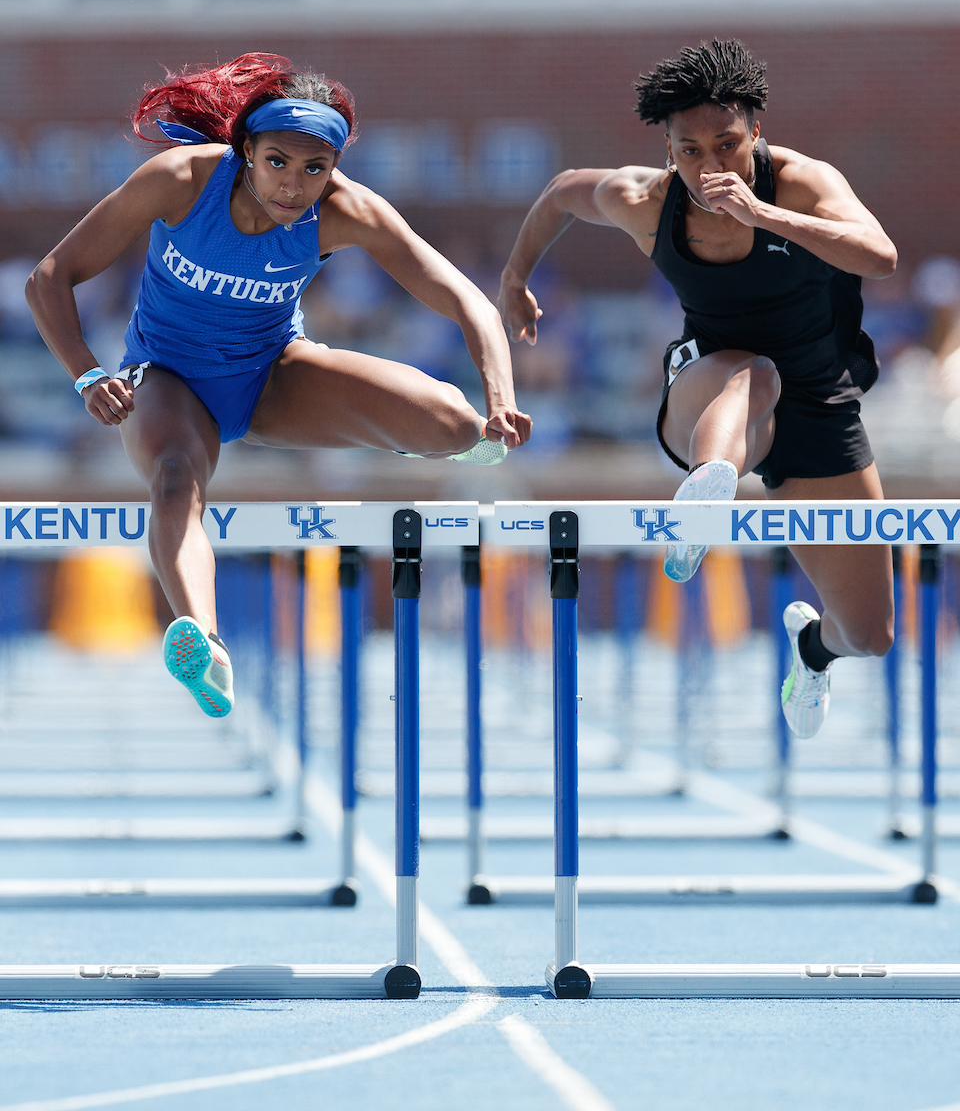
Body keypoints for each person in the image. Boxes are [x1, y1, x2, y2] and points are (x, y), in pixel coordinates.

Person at [28, 53, 531, 718]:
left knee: (455, 421)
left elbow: (471, 304)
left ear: (335, 165)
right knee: (176, 477)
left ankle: (458, 440)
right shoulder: (180, 180)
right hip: (166, 379)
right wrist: (88, 374)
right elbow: (49, 278)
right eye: (277, 163)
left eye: (314, 169)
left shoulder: (349, 210)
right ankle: (205, 643)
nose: (294, 186)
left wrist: (502, 401)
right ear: (246, 151)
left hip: (271, 377)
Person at [498, 39, 897, 739]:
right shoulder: (648, 202)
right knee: (753, 372)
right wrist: (514, 278)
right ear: (668, 149)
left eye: (727, 145)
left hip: (816, 404)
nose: (710, 166)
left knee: (870, 635)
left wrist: (763, 216)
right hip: (710, 391)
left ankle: (812, 649)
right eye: (689, 150)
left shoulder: (802, 183)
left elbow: (881, 255)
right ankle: (704, 503)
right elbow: (562, 192)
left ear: (757, 132)